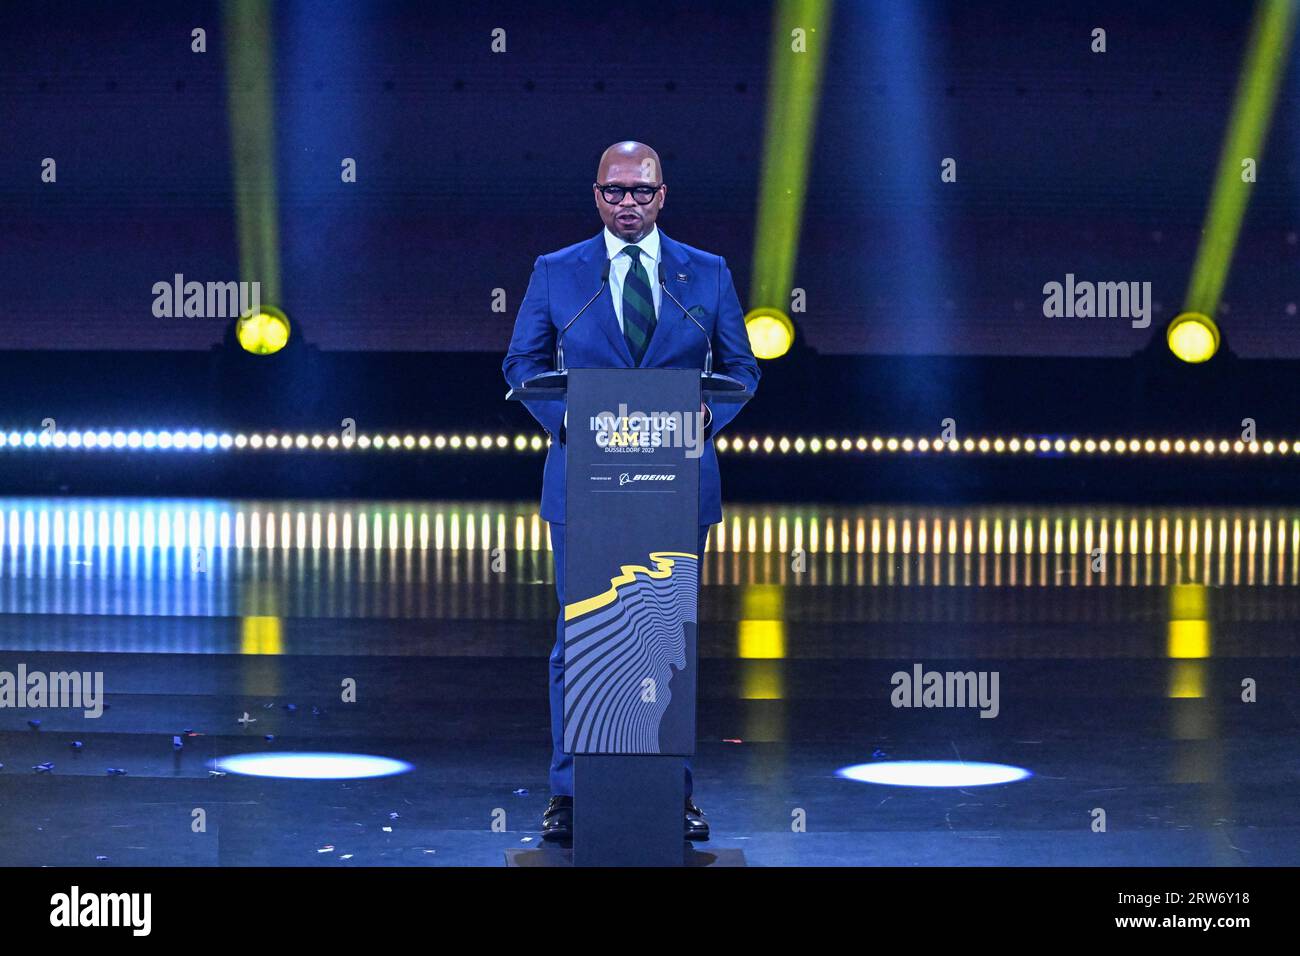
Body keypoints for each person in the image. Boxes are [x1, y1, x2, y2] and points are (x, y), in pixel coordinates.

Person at [503, 141, 759, 842]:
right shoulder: (558, 273)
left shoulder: (704, 273)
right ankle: (570, 797)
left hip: (676, 485)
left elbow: (742, 369)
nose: (628, 204)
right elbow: (521, 362)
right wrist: (577, 424)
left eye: (641, 192)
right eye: (615, 191)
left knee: (666, 640)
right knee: (578, 641)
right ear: (596, 196)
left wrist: (708, 416)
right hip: (585, 487)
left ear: (662, 195)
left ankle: (671, 796)